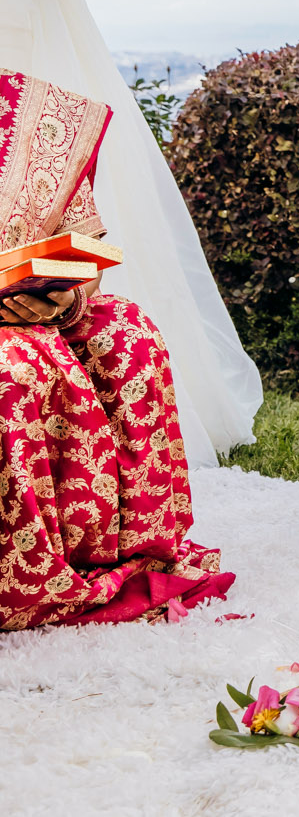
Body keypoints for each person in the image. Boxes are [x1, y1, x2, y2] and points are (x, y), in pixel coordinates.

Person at [0, 68, 233, 630]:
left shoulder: (33, 108)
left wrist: (63, 302)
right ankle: (26, 578)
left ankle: (119, 549)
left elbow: (78, 253)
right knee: (16, 365)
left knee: (125, 332)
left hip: (18, 305)